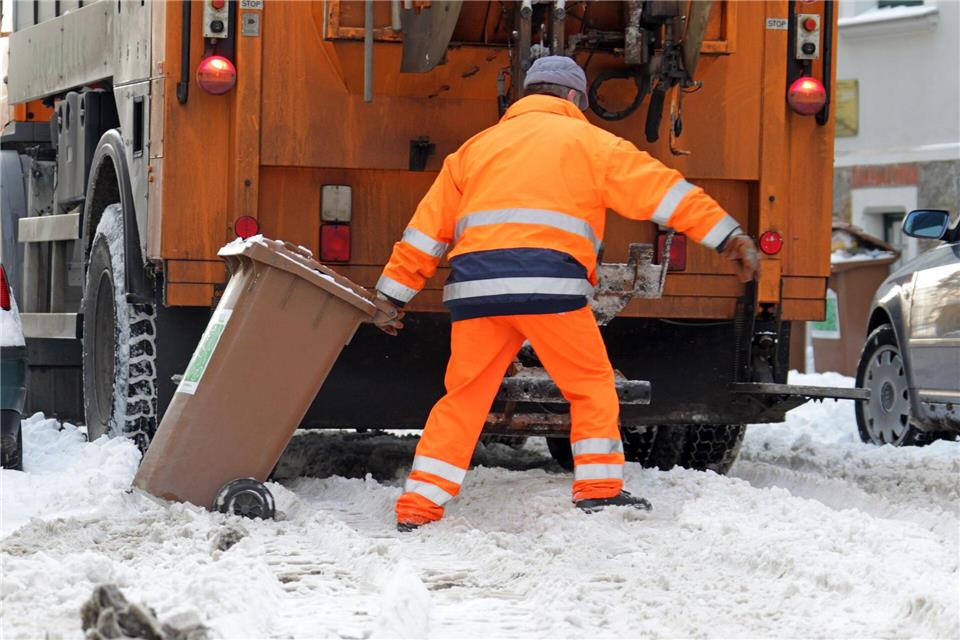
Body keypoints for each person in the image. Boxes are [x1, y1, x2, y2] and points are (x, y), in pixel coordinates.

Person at [373, 56, 759, 531]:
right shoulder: (593, 144)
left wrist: (393, 296)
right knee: (591, 386)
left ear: (527, 94)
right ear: (575, 99)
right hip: (550, 292)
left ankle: (418, 507)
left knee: (464, 399)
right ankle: (598, 490)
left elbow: (424, 232)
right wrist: (728, 235)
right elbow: (667, 193)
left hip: (476, 295)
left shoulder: (474, 150)